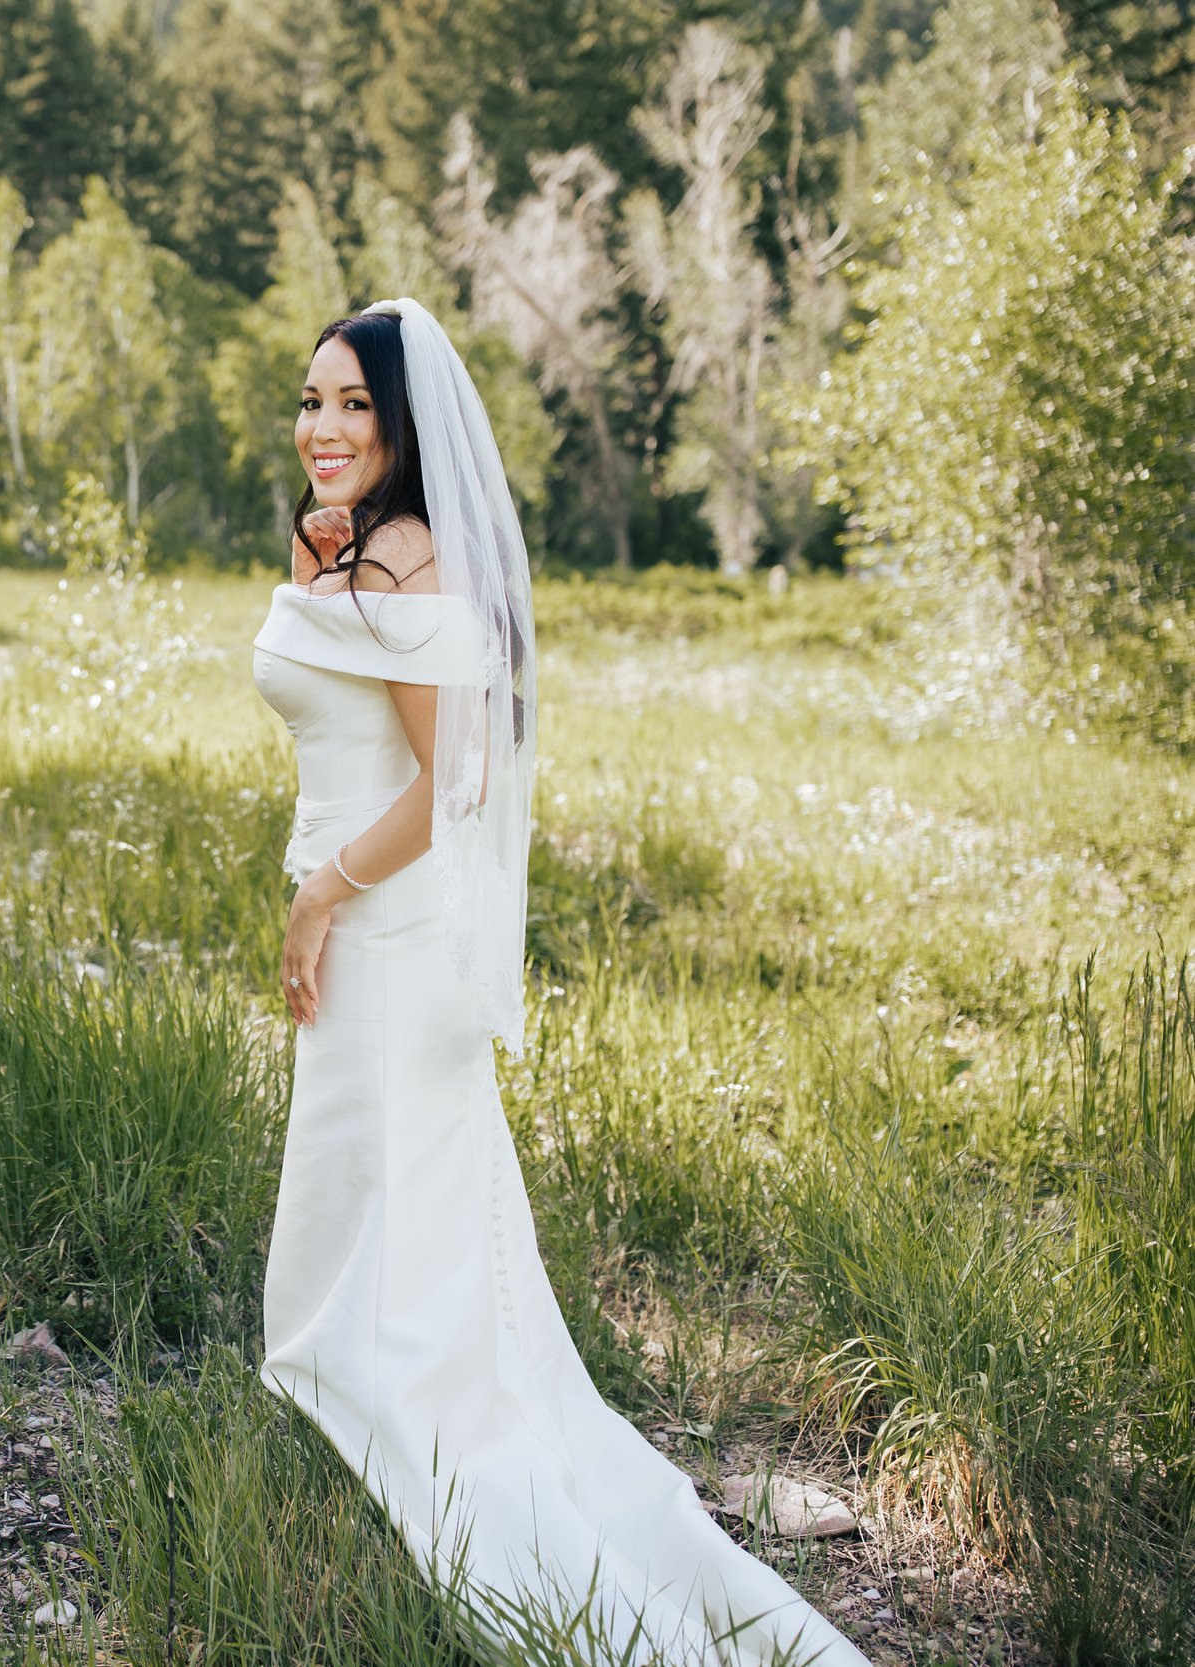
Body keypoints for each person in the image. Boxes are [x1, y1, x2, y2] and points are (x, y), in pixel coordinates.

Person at [253, 302, 869, 1665]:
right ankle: (385, 1410)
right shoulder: (335, 541)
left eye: (357, 405)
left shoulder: (407, 554)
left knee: (397, 1236)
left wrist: (323, 889)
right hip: (357, 935)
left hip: (387, 934)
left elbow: (457, 775)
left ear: (407, 427)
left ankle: (468, 1478)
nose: (326, 428)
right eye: (311, 400)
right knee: (370, 1213)